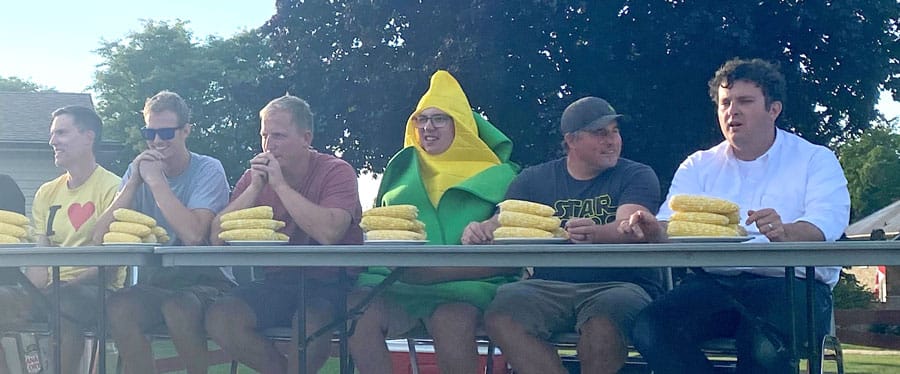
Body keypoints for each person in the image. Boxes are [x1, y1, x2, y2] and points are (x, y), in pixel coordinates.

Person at [631, 58, 851, 373]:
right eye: (725, 103)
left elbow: (824, 225)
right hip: (713, 283)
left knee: (763, 345)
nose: (732, 111)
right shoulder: (698, 165)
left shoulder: (816, 159)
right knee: (651, 328)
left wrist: (786, 232)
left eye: (744, 101)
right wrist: (652, 229)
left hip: (792, 286)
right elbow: (671, 226)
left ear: (773, 110)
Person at [463, 96, 666, 374]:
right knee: (501, 315)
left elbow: (630, 225)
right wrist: (480, 230)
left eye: (615, 131)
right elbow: (502, 221)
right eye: (600, 133)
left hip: (621, 284)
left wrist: (596, 233)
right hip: (547, 286)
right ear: (571, 141)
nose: (612, 140)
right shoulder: (533, 179)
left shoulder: (636, 174)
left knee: (603, 325)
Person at [348, 70, 521, 374]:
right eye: (421, 119)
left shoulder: (502, 175)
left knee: (451, 322)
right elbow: (376, 227)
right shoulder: (399, 168)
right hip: (396, 282)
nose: (428, 127)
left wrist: (491, 225)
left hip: (467, 284)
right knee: (356, 312)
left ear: (462, 124)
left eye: (440, 118)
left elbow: (516, 229)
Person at [204, 94, 364, 373]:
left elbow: (330, 232)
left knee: (310, 326)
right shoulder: (254, 177)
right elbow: (216, 236)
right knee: (221, 317)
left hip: (331, 283)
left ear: (306, 137)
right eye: (264, 136)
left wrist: (279, 186)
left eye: (278, 136)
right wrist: (254, 189)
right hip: (277, 281)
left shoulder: (336, 171)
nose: (268, 146)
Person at [93, 91, 232, 374]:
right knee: (118, 306)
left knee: (177, 307)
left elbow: (194, 235)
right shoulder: (138, 170)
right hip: (158, 281)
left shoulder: (208, 169)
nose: (157, 141)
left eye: (166, 132)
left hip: (209, 280)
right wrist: (132, 184)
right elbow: (98, 238)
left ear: (186, 131)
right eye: (150, 132)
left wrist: (156, 183)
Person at [0, 106, 121, 374]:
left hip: (97, 290)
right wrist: (28, 293)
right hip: (50, 291)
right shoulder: (46, 192)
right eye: (52, 134)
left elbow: (112, 263)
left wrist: (62, 285)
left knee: (63, 303)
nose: (52, 141)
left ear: (89, 137)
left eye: (61, 133)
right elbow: (40, 260)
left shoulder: (114, 188)